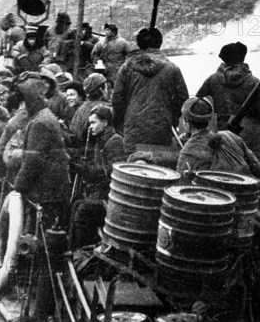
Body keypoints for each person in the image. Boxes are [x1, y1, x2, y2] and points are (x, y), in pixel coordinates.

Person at [112, 27, 189, 154]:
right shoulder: (172, 68)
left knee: (133, 165)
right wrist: (171, 117)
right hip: (162, 125)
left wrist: (123, 121)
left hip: (133, 126)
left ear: (139, 44)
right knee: (159, 168)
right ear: (160, 43)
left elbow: (117, 100)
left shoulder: (126, 68)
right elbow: (183, 99)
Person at [196, 42, 260, 165]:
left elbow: (198, 104)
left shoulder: (212, 80)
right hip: (248, 138)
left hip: (220, 135)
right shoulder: (253, 83)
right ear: (242, 59)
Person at [12, 71, 71, 230]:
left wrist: (17, 188)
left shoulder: (39, 122)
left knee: (36, 233)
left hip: (45, 192)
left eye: (23, 102)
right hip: (52, 189)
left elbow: (33, 160)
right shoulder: (46, 116)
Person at [71, 105, 126, 249]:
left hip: (108, 195)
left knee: (82, 211)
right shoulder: (101, 139)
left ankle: (83, 250)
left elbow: (109, 172)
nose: (90, 127)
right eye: (90, 123)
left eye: (94, 123)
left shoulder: (115, 141)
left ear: (105, 123)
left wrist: (85, 169)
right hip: (100, 191)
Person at [177, 96, 260, 181]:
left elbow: (181, 186)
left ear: (186, 120)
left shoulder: (188, 151)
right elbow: (259, 170)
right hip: (248, 191)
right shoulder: (229, 135)